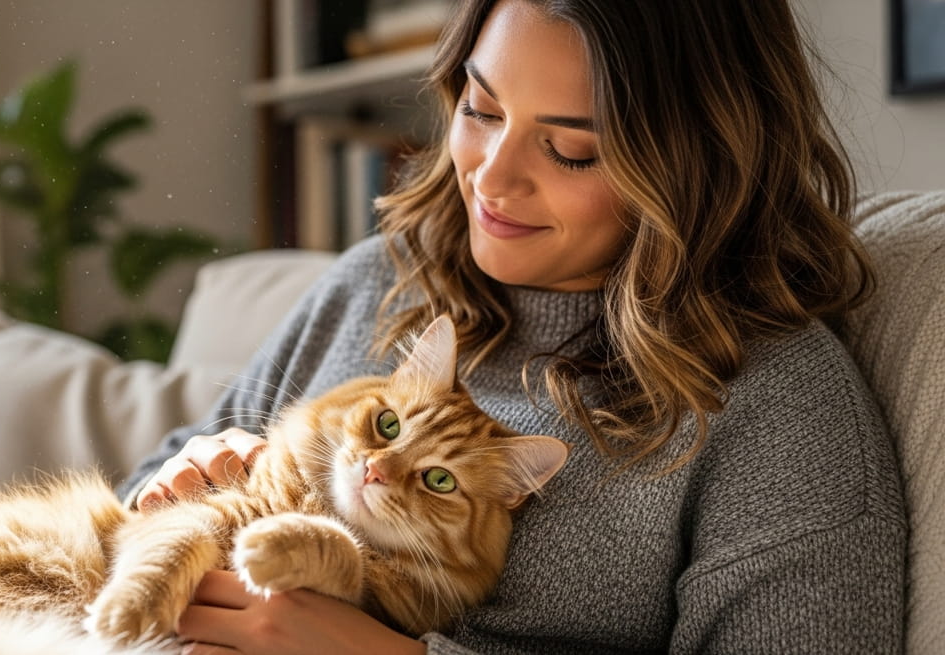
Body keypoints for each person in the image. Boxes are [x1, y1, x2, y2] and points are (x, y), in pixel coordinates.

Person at [118, 1, 905, 653]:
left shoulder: (780, 406)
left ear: (695, 166)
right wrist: (192, 479)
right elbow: (129, 513)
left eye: (569, 151)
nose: (490, 176)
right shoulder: (378, 280)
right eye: (480, 108)